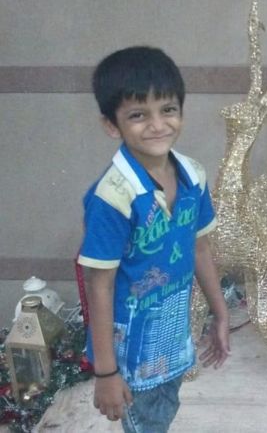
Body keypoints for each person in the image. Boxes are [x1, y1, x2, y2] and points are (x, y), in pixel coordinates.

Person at [78, 46, 230, 432]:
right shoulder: (113, 197)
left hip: (172, 332)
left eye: (168, 109)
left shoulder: (193, 175)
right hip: (129, 350)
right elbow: (99, 285)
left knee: (163, 412)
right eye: (138, 115)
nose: (157, 125)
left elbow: (199, 247)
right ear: (112, 125)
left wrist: (221, 313)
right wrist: (106, 372)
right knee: (144, 423)